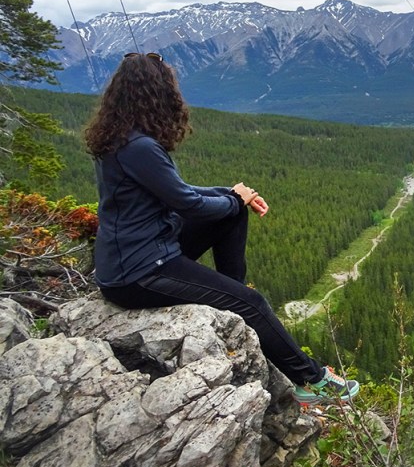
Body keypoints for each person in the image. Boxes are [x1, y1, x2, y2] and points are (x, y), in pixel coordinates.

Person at [84, 51, 357, 405]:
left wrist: (232, 196)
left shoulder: (122, 139)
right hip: (138, 273)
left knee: (230, 213)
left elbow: (179, 192)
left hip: (141, 255)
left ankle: (231, 296)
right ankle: (313, 381)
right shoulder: (140, 147)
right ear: (157, 94)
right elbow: (188, 204)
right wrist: (233, 199)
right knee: (252, 302)